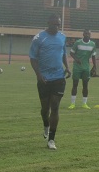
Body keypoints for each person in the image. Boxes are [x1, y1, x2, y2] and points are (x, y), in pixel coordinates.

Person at [29, 14, 71, 150]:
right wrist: (38, 75)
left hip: (59, 77)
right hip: (44, 78)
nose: (56, 27)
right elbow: (33, 58)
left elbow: (63, 53)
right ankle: (46, 125)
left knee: (55, 106)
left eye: (58, 24)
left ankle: (51, 139)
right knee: (45, 109)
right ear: (48, 23)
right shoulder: (39, 38)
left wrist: (67, 67)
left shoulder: (62, 37)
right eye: (54, 24)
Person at [68, 29, 97, 109]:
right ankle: (72, 104)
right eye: (86, 33)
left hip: (86, 67)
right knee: (75, 84)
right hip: (77, 67)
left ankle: (84, 104)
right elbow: (71, 53)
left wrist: (95, 66)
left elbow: (93, 56)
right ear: (83, 34)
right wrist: (76, 59)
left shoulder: (93, 44)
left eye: (89, 34)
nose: (87, 35)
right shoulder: (78, 43)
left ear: (90, 35)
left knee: (85, 85)